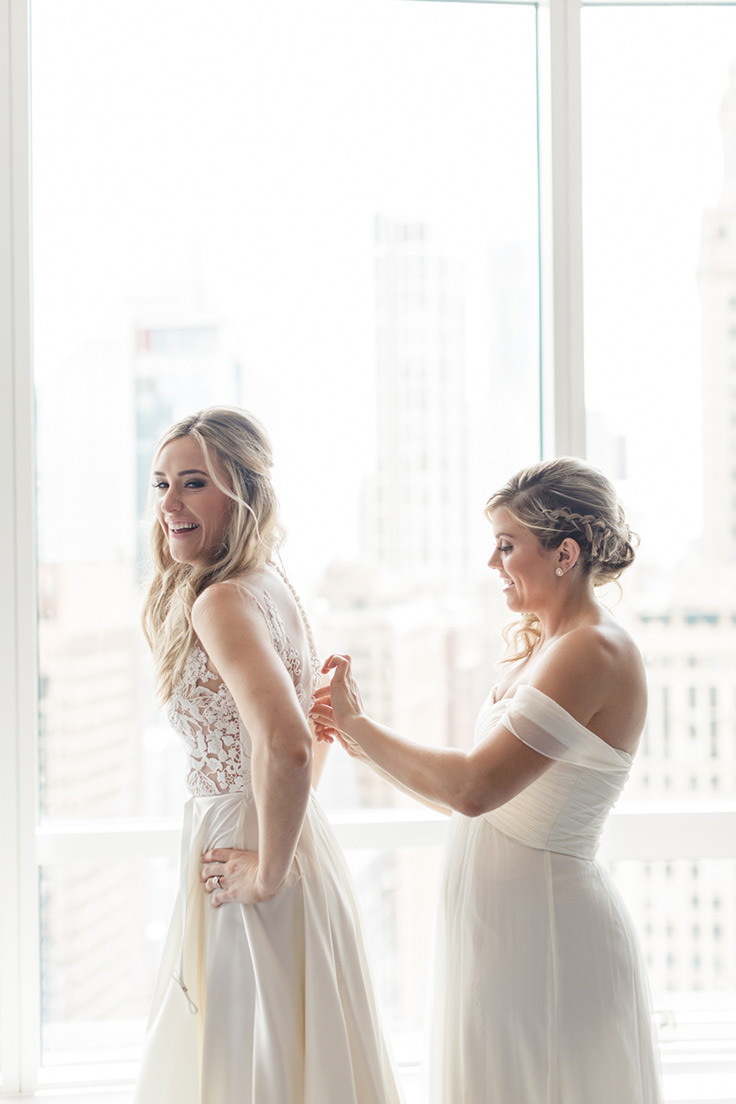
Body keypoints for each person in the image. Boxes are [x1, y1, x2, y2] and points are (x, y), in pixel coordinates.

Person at [311, 457, 662, 1104]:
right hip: (499, 941)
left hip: (546, 941)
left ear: (564, 554)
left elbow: (474, 789)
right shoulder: (546, 648)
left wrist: (360, 725)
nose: (492, 562)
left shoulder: (593, 649)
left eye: (507, 545)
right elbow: (472, 803)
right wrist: (359, 743)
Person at [134, 406, 403, 1104]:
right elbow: (315, 734)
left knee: (243, 1064)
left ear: (243, 492)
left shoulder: (221, 601)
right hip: (292, 839)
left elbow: (288, 743)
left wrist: (265, 875)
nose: (170, 503)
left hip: (249, 854)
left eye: (194, 483)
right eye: (161, 483)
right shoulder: (273, 585)